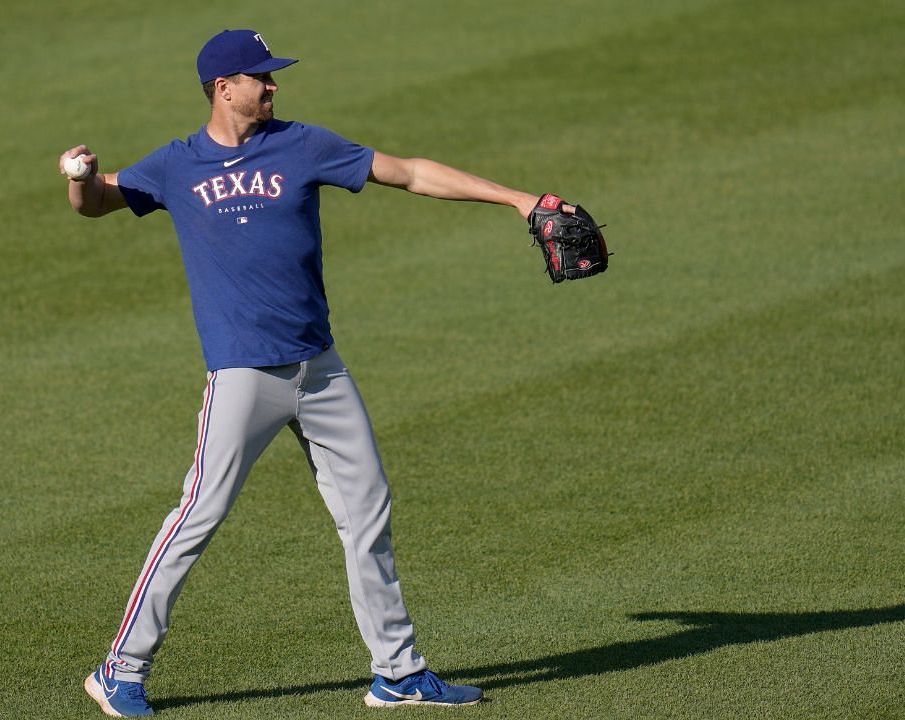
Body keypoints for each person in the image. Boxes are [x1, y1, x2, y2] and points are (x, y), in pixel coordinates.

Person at [61, 29, 548, 717]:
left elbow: (407, 172)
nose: (273, 86)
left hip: (319, 370)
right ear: (223, 87)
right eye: (261, 77)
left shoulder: (302, 144)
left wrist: (519, 199)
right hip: (242, 376)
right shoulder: (176, 165)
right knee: (198, 515)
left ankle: (398, 672)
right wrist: (82, 180)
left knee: (368, 510)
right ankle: (120, 670)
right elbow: (103, 201)